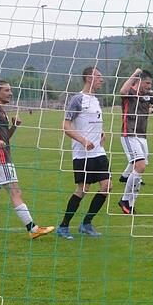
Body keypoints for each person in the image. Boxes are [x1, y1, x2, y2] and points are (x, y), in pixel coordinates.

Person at [0, 80, 54, 246]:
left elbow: (5, 138)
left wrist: (14, 126)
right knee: (15, 193)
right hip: (0, 159)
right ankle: (32, 229)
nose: (10, 93)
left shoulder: (0, 111)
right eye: (7, 90)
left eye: (10, 90)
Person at [57, 66, 112, 239]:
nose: (101, 79)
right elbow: (65, 126)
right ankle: (63, 226)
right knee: (83, 189)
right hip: (82, 154)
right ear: (89, 78)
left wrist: (101, 132)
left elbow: (93, 121)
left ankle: (86, 223)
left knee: (107, 186)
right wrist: (83, 140)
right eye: (98, 76)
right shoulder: (77, 99)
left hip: (98, 152)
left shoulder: (96, 100)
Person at [118, 69, 153, 214]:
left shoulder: (147, 97)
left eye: (150, 83)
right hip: (129, 135)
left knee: (140, 170)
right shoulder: (130, 94)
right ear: (139, 81)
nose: (149, 86)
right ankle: (125, 200)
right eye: (146, 83)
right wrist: (134, 74)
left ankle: (130, 204)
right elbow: (122, 91)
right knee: (140, 167)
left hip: (142, 137)